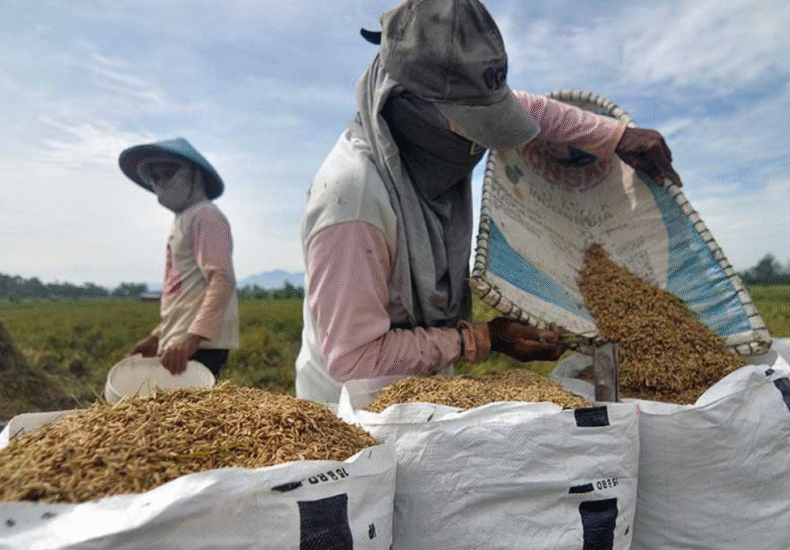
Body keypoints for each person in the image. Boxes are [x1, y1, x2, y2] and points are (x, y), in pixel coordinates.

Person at [295, 0, 681, 404]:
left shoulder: (426, 144)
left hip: (422, 396)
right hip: (351, 412)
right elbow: (355, 360)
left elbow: (530, 111)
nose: (478, 145)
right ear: (410, 107)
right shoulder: (353, 201)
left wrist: (614, 136)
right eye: (470, 127)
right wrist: (481, 338)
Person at [119, 137, 240, 377]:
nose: (162, 181)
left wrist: (192, 339)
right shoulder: (184, 219)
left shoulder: (205, 216)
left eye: (169, 173)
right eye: (156, 177)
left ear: (193, 175)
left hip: (198, 346)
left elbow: (222, 279)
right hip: (179, 344)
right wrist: (157, 336)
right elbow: (184, 294)